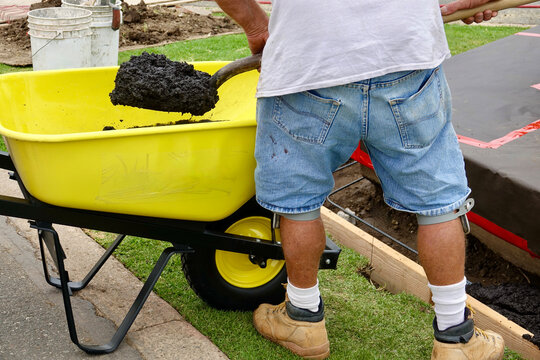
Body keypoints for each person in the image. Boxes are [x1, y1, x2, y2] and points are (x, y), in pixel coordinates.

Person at [214, 1, 504, 359]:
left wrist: (256, 24)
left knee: (299, 202)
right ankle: (456, 338)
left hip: (309, 63)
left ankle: (303, 319)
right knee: (437, 204)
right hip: (406, 60)